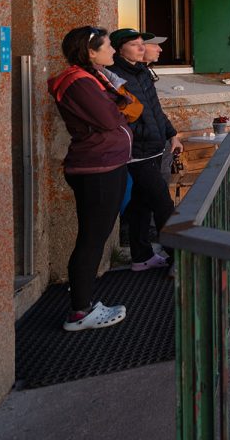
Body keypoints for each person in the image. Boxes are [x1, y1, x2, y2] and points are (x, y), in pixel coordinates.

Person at [47, 26, 132, 331]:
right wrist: (120, 106)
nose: (113, 51)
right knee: (92, 239)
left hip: (105, 165)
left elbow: (121, 110)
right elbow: (110, 118)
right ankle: (80, 311)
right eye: (108, 46)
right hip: (98, 169)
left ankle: (82, 301)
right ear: (90, 51)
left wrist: (119, 107)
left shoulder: (90, 77)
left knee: (94, 236)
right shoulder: (78, 81)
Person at [109, 29, 180, 272]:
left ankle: (141, 256)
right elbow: (119, 116)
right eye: (135, 44)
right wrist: (142, 135)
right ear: (120, 49)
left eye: (142, 43)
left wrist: (171, 133)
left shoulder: (142, 72)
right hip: (138, 152)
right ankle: (178, 256)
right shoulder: (115, 76)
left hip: (154, 146)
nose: (142, 47)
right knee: (162, 203)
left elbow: (155, 108)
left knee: (140, 204)